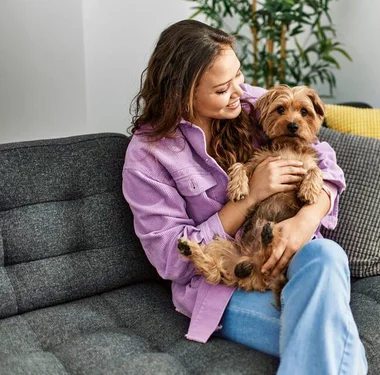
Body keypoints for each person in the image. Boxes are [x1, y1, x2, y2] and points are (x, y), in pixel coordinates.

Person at [123, 19, 367, 374]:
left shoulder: (251, 104)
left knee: (327, 253)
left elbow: (324, 159)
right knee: (335, 341)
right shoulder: (148, 157)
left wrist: (306, 219)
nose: (240, 90)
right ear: (183, 94)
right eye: (223, 89)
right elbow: (170, 258)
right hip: (224, 284)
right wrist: (249, 197)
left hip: (291, 259)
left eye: (239, 75)